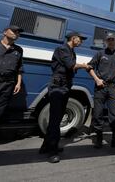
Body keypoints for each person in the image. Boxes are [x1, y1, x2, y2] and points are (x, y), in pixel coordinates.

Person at [39, 31, 90, 163]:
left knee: (57, 117)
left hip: (65, 86)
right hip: (58, 87)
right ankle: (52, 151)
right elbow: (70, 65)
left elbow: (70, 68)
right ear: (73, 38)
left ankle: (46, 145)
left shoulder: (71, 51)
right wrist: (83, 66)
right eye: (80, 39)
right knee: (56, 119)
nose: (81, 42)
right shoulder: (63, 49)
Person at [88, 33, 115, 149]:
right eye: (108, 40)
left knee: (114, 114)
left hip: (113, 88)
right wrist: (96, 79)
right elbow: (89, 67)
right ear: (106, 41)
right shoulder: (100, 53)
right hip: (100, 87)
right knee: (98, 113)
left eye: (112, 39)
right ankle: (98, 138)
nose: (110, 41)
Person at [0, 25, 24, 121]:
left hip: (8, 83)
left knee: (0, 107)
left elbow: (19, 68)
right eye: (14, 31)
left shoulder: (19, 50)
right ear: (5, 32)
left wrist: (18, 83)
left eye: (18, 32)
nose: (17, 34)